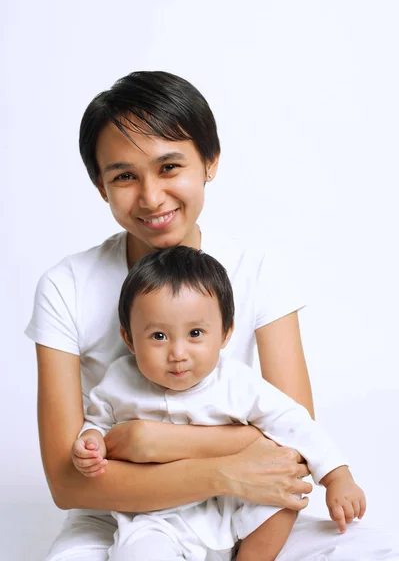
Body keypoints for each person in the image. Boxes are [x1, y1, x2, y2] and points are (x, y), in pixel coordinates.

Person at [25, 70, 398, 560]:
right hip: (122, 510)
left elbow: (291, 446)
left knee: (370, 549)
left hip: (244, 499)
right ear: (100, 186)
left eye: (169, 167)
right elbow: (69, 484)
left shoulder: (258, 270)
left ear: (210, 162)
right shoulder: (66, 286)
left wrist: (146, 440)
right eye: (124, 176)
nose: (152, 196)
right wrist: (221, 462)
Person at [72, 245, 366, 561]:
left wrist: (337, 476)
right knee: (139, 552)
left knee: (283, 499)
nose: (178, 353)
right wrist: (90, 444)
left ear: (225, 333)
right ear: (129, 338)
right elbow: (97, 423)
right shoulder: (119, 380)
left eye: (195, 333)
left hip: (234, 500)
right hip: (156, 515)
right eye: (159, 336)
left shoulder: (236, 382)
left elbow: (293, 422)